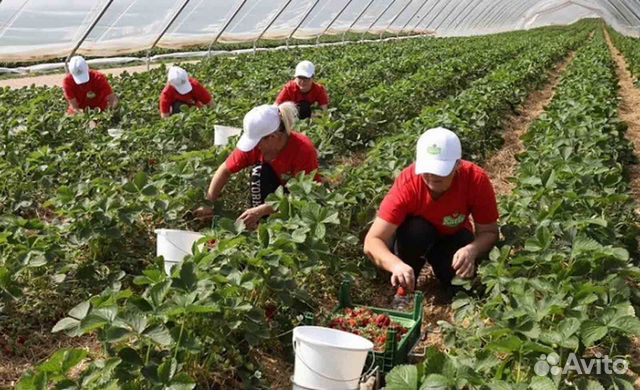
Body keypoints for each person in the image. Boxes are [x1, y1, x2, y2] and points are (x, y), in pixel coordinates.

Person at [363, 127, 499, 293]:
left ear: (457, 164)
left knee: (459, 284)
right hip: (416, 237)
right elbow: (372, 241)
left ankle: (440, 262)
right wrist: (396, 265)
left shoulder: (475, 179)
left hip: (453, 235)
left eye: (440, 170)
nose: (432, 176)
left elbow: (489, 232)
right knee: (416, 231)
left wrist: (472, 249)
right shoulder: (408, 184)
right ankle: (406, 280)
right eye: (427, 169)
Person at [201, 102, 320, 229]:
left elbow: (305, 196)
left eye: (257, 142)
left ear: (273, 137)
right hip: (273, 193)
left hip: (299, 197)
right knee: (259, 172)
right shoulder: (256, 146)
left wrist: (261, 210)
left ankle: (275, 226)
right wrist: (208, 202)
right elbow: (224, 170)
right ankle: (260, 226)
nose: (255, 147)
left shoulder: (303, 149)